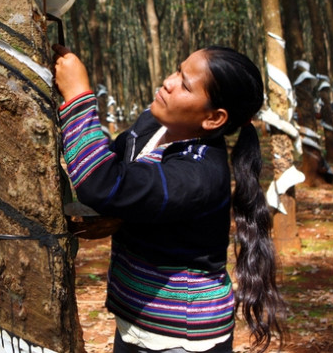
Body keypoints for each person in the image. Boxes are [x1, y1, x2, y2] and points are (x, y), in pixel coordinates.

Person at [53, 44, 285, 353]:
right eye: (178, 70)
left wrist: (78, 97)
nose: (169, 81)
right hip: (136, 320)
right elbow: (116, 169)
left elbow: (102, 182)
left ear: (214, 118)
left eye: (185, 84)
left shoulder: (201, 173)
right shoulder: (153, 125)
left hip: (179, 338)